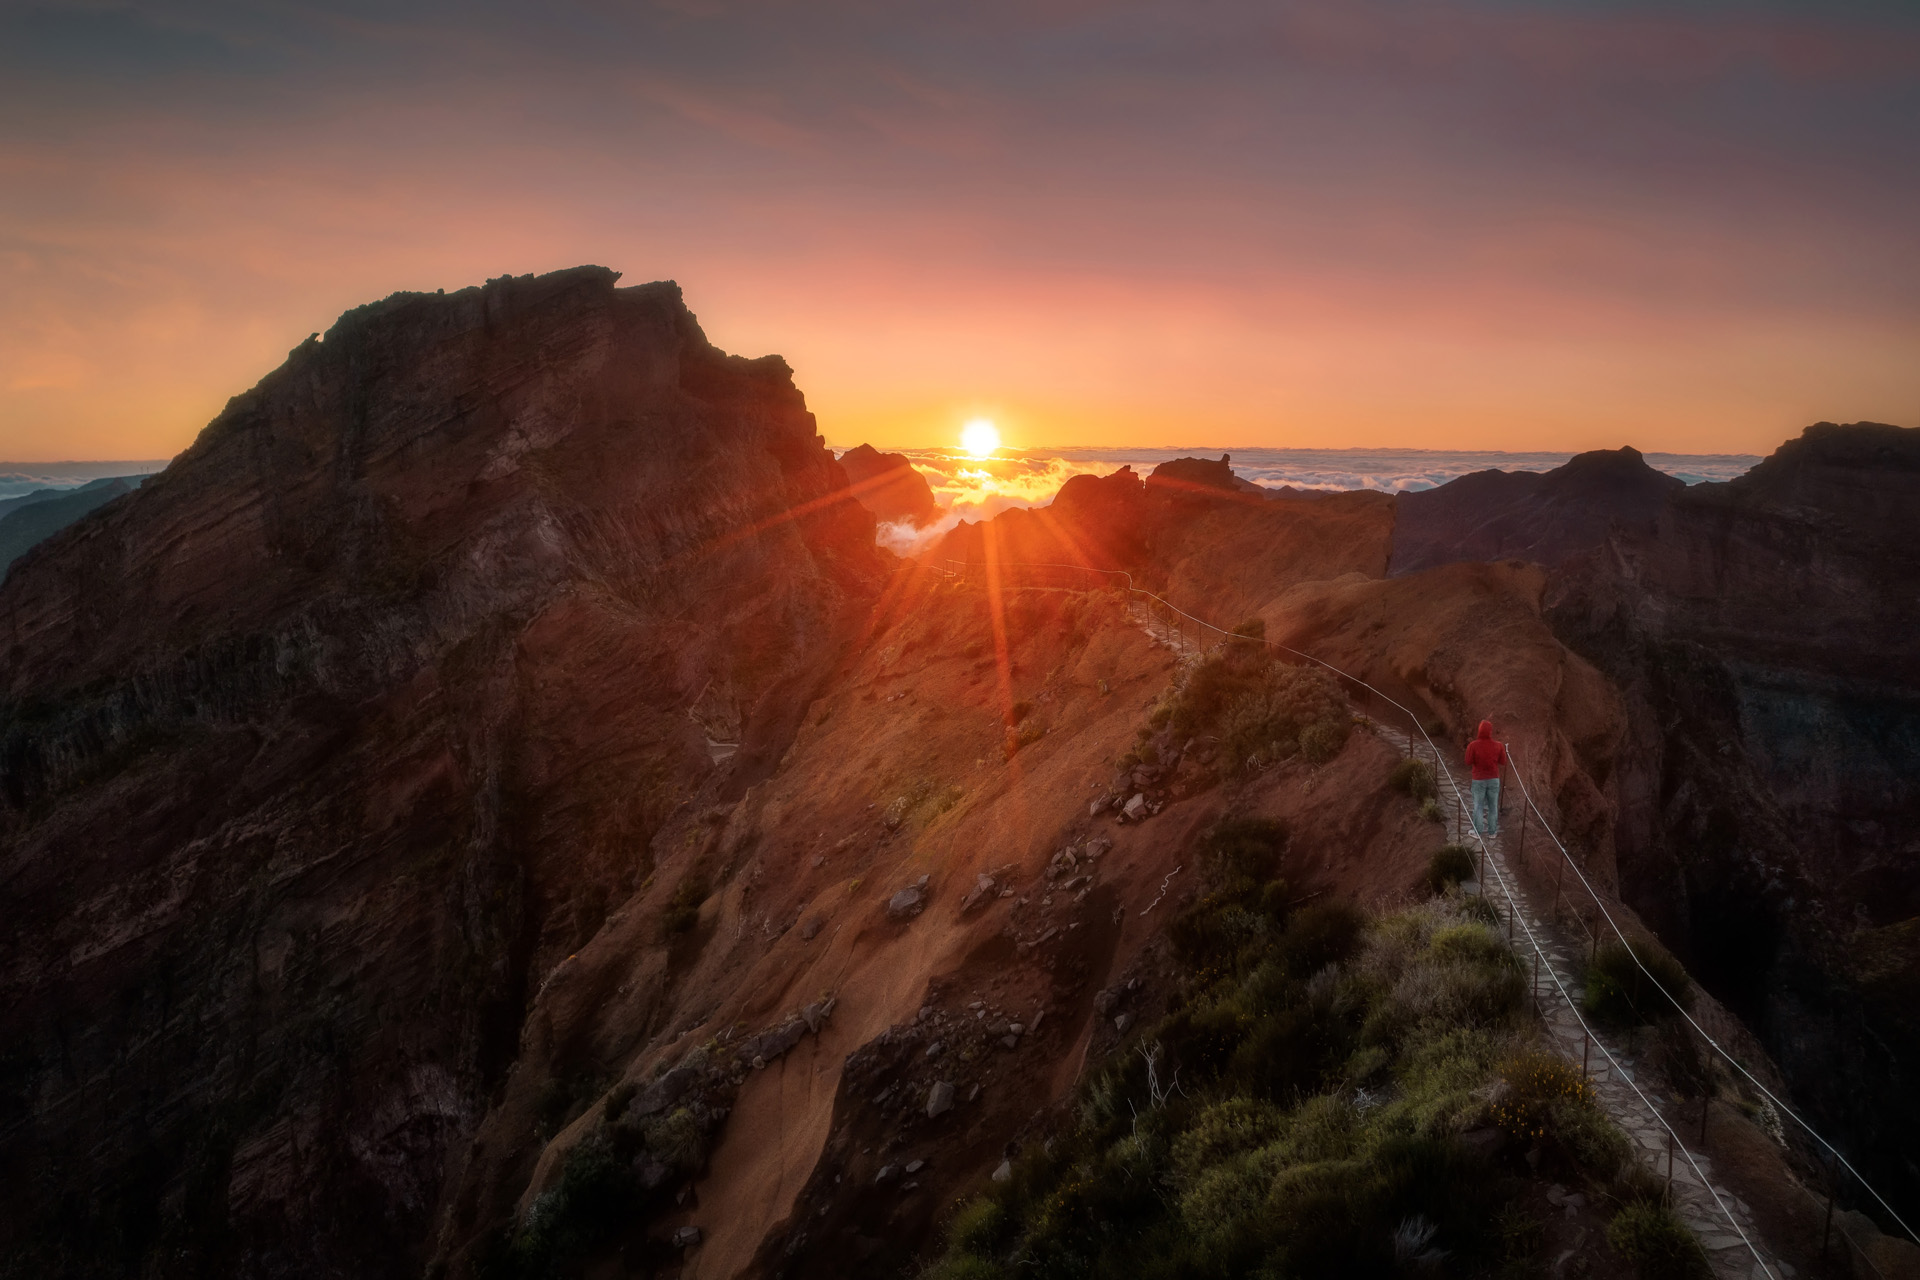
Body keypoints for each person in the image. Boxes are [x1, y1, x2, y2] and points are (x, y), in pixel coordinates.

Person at [1464, 720, 1507, 838]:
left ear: (1479, 730)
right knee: (1493, 806)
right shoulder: (1498, 745)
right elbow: (1503, 761)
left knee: (1478, 805)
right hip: (1494, 779)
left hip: (1478, 779)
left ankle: (1477, 831)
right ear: (1490, 731)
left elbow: (1468, 761)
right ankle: (1492, 832)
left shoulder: (1473, 745)